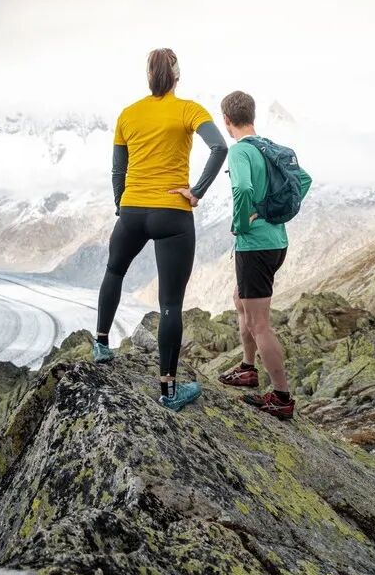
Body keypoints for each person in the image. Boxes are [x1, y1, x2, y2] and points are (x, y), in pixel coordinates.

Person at [93, 48, 228, 412]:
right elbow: (219, 147)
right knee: (170, 303)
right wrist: (196, 192)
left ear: (148, 75)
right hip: (172, 213)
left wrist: (122, 204)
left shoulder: (128, 114)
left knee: (114, 271)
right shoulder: (189, 110)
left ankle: (101, 345)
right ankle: (169, 392)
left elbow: (117, 170)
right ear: (177, 75)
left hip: (132, 211)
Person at [217, 91, 312, 418]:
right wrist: (272, 212)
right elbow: (304, 180)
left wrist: (243, 223)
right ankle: (247, 368)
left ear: (226, 120)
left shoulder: (240, 151)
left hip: (255, 245)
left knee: (259, 323)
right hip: (276, 241)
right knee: (240, 298)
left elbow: (243, 188)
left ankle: (282, 397)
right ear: (252, 115)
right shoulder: (268, 148)